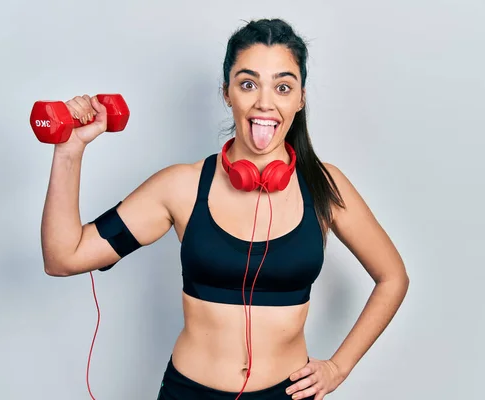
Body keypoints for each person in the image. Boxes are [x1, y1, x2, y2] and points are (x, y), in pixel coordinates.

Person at [41, 18, 409, 400]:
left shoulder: (324, 185)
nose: (265, 102)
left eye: (283, 87)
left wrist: (338, 367)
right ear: (226, 93)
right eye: (248, 84)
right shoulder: (180, 187)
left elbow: (392, 276)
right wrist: (69, 151)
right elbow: (64, 257)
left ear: (299, 99)